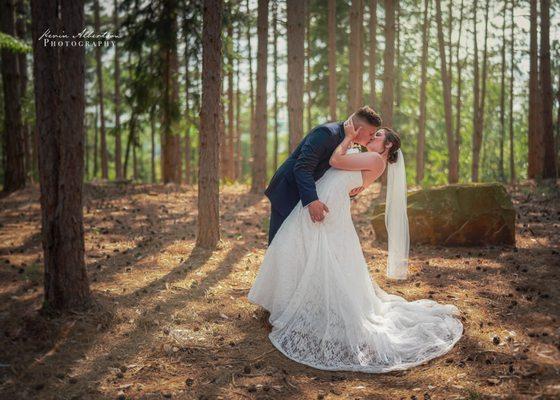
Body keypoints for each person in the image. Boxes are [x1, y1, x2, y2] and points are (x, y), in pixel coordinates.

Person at [247, 117, 463, 373]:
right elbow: (343, 179)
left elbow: (335, 161)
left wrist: (349, 137)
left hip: (327, 209)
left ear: (389, 146)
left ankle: (303, 306)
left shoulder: (374, 160)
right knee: (297, 250)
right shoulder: (367, 156)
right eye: (374, 133)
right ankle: (287, 301)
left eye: (379, 136)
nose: (373, 137)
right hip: (325, 204)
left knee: (312, 254)